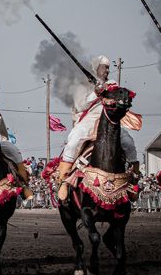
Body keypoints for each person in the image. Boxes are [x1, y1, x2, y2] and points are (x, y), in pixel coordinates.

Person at [55, 56, 138, 185]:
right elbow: (80, 106)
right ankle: (63, 179)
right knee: (73, 140)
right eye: (105, 67)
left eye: (109, 68)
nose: (108, 70)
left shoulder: (112, 83)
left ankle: (134, 177)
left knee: (129, 143)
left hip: (110, 119)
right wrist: (95, 93)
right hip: (90, 120)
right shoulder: (83, 85)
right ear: (96, 68)